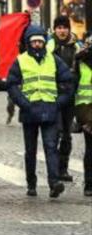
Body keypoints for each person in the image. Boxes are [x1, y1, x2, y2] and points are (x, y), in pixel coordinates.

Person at [7, 24, 73, 198]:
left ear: (44, 43)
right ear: (29, 43)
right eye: (34, 41)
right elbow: (12, 85)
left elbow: (68, 83)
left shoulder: (54, 60)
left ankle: (54, 183)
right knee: (31, 150)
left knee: (51, 147)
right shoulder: (20, 60)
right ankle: (31, 183)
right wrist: (24, 103)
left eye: (40, 41)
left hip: (50, 110)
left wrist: (58, 103)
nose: (37, 44)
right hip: (29, 111)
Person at [47, 15, 81, 183]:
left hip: (71, 95)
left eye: (64, 27)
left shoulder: (76, 47)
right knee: (56, 133)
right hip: (53, 95)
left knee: (67, 135)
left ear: (69, 29)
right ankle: (54, 170)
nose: (62, 31)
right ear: (55, 29)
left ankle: (63, 169)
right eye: (59, 28)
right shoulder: (49, 46)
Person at [74, 45, 92, 196]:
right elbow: (75, 89)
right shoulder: (81, 62)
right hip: (86, 111)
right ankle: (89, 184)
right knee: (90, 149)